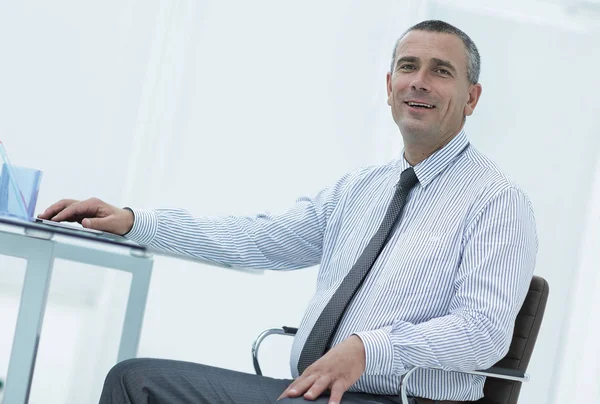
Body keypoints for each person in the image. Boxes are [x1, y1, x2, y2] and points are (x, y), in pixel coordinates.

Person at [39, 20, 537, 404]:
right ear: (389, 86)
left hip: (398, 398)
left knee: (138, 384)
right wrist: (135, 221)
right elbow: (261, 239)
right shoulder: (361, 188)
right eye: (408, 67)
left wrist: (368, 349)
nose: (419, 82)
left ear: (471, 98)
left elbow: (484, 331)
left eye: (440, 71)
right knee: (134, 378)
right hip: (314, 391)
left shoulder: (496, 202)